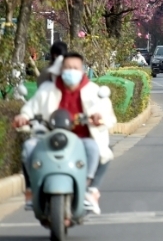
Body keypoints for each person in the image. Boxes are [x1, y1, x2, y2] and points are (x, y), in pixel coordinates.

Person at [13, 51, 116, 215]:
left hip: (82, 139)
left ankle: (89, 189)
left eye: (75, 68)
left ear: (82, 69)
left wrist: (98, 117)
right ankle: (31, 189)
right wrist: (24, 117)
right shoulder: (47, 89)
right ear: (61, 69)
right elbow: (31, 108)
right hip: (48, 138)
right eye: (67, 67)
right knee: (29, 147)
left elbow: (104, 112)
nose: (71, 71)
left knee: (97, 150)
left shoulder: (93, 91)